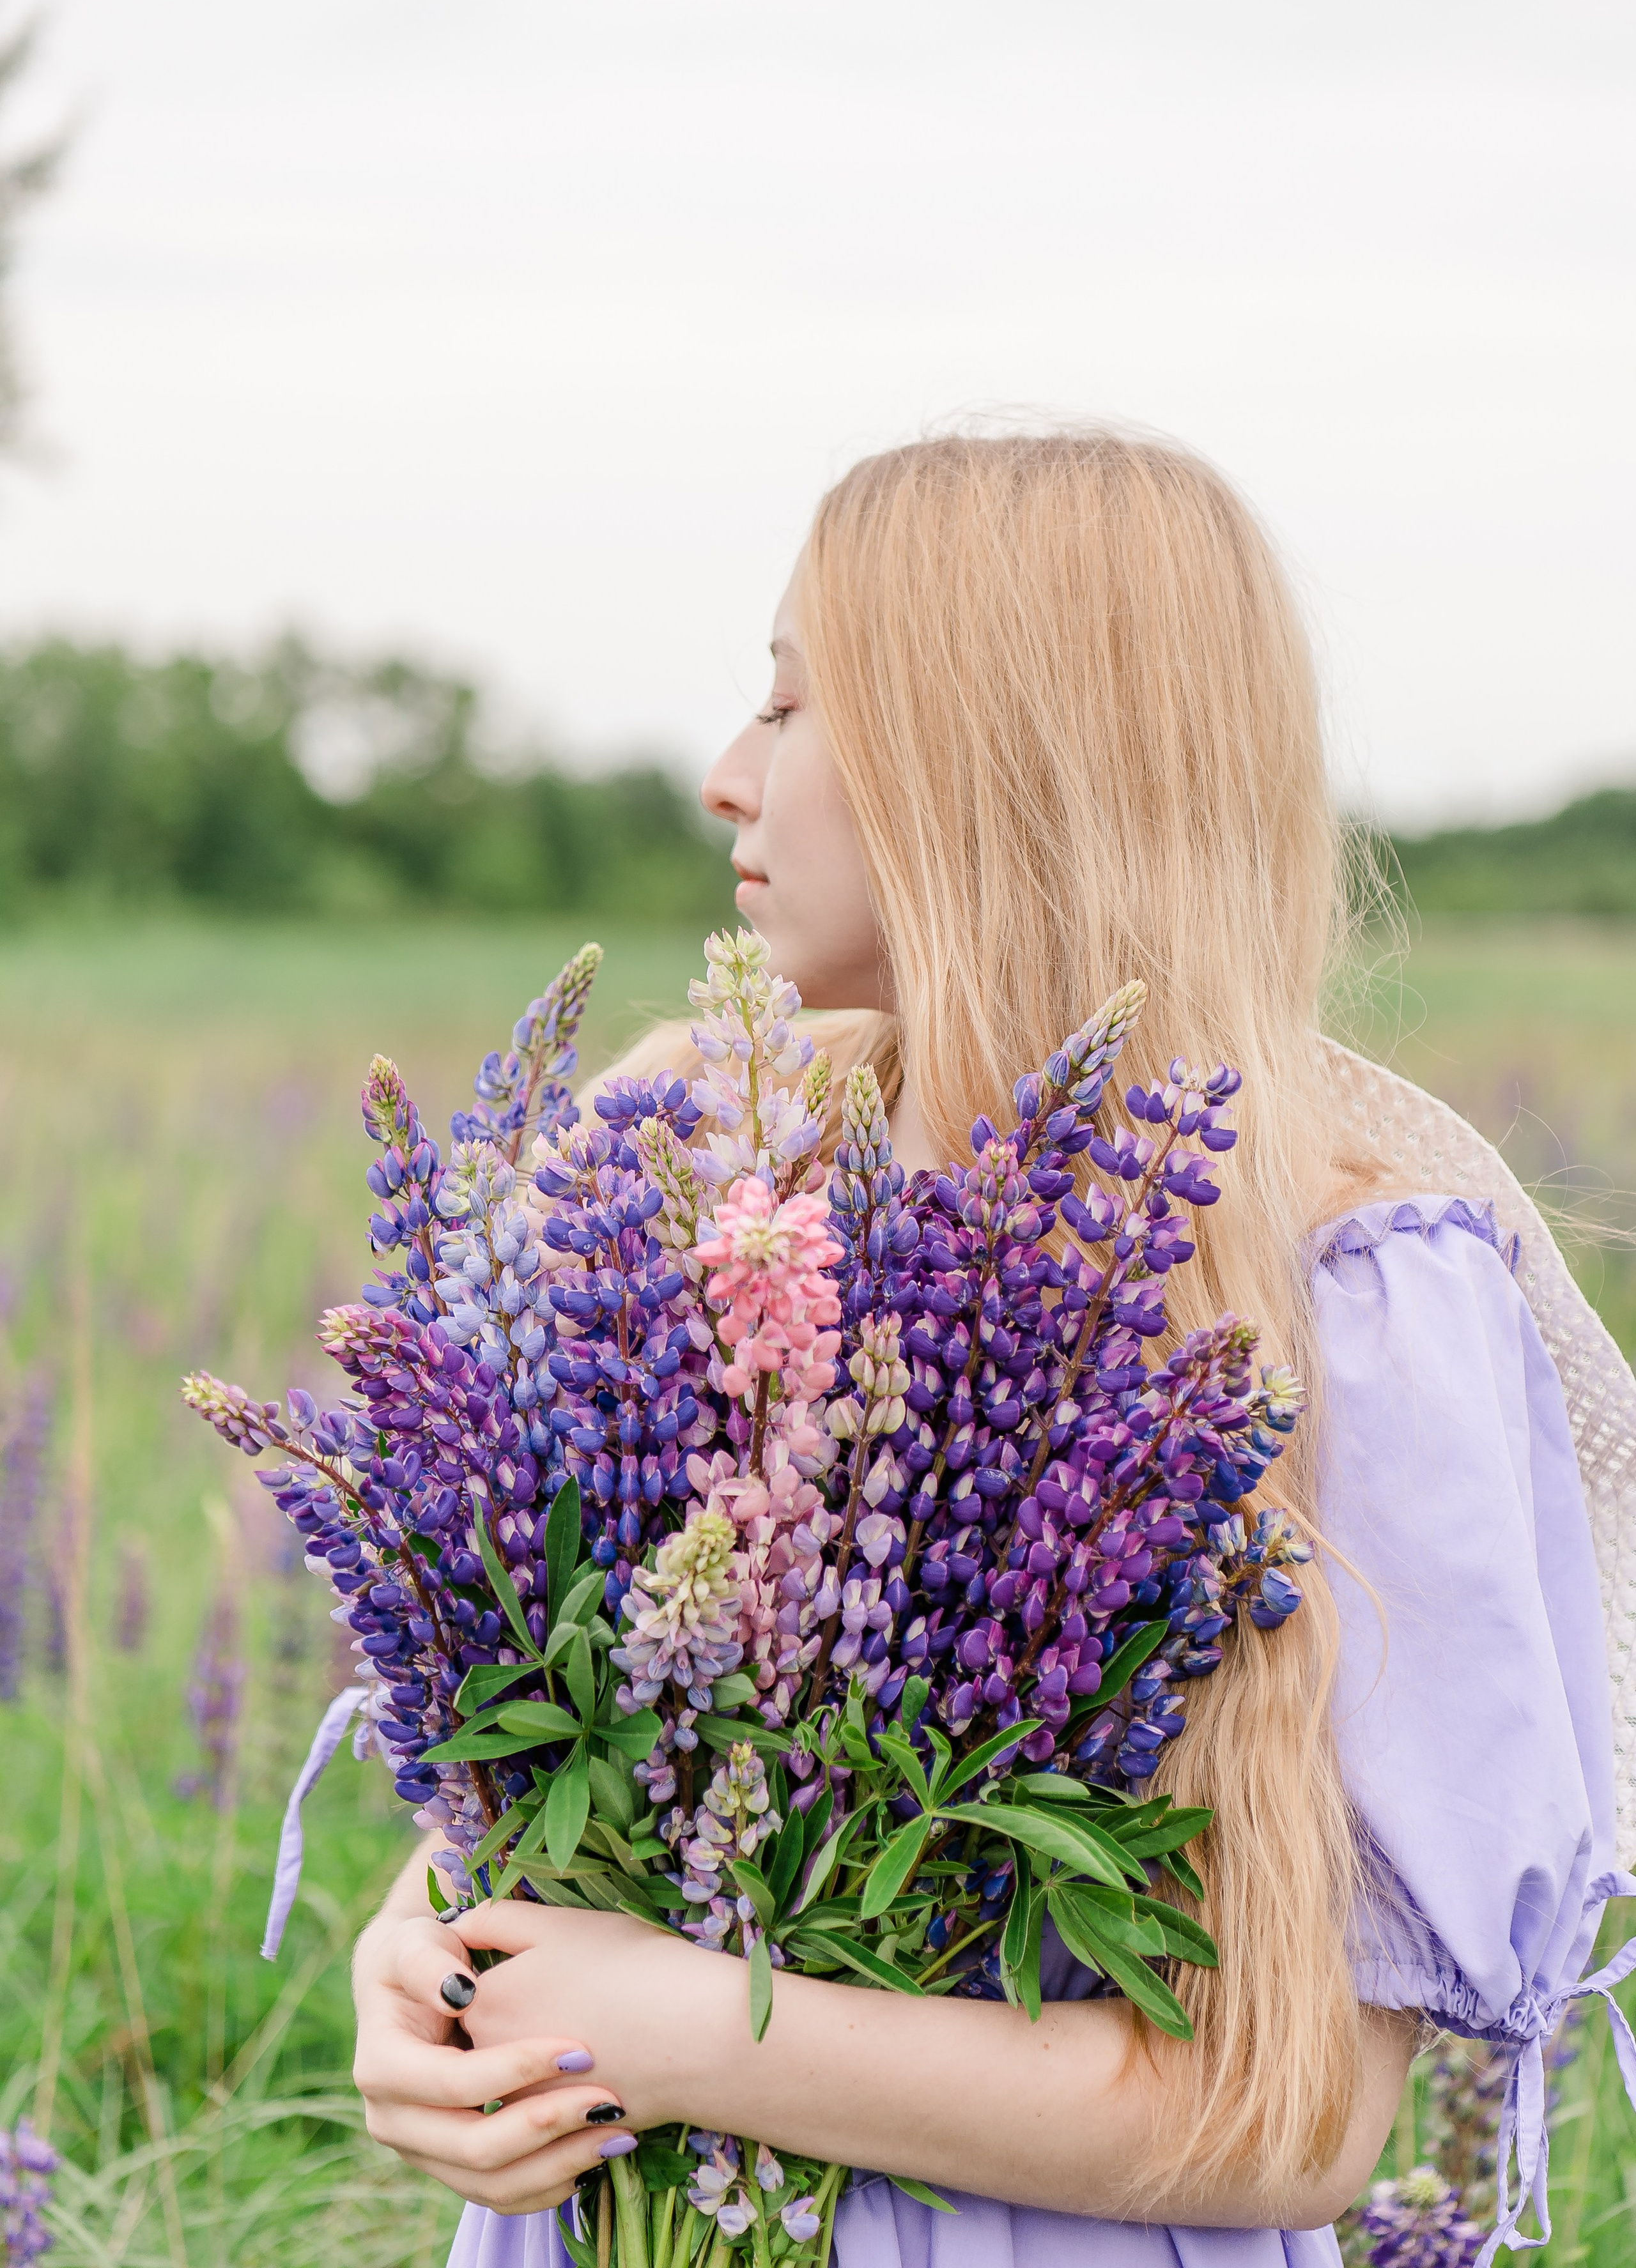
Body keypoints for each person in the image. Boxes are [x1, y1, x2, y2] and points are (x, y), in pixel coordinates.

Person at [347, 432, 1635, 2267]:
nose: (728, 776)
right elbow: (593, 1766)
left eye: (793, 703)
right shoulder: (702, 1176)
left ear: (985, 771)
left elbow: (1300, 2124)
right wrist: (433, 1960)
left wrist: (699, 2034)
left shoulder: (1347, 1300)